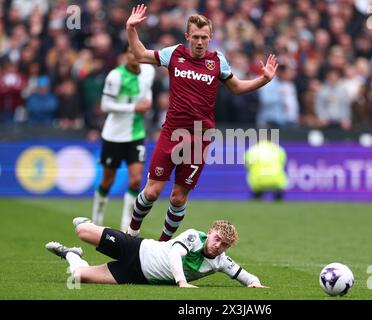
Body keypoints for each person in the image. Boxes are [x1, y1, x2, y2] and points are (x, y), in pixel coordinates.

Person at [125, 4, 279, 240]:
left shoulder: (217, 60)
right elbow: (140, 54)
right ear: (187, 36)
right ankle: (131, 232)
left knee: (178, 197)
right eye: (195, 37)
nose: (199, 42)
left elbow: (237, 87)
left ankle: (163, 246)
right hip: (171, 133)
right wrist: (131, 29)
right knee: (153, 191)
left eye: (204, 37)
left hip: (200, 137)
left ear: (211, 38)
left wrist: (263, 80)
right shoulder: (174, 54)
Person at [45, 218, 267, 288]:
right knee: (81, 230)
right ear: (209, 233)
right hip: (138, 249)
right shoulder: (193, 237)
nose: (219, 245)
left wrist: (254, 283)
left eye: (225, 244)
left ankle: (71, 254)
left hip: (137, 276)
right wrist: (181, 282)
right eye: (217, 238)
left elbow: (244, 275)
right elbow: (174, 255)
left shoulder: (220, 261)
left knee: (77, 276)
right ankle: (89, 223)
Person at [92, 46, 155, 232]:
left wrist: (148, 101)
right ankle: (96, 218)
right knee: (107, 180)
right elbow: (105, 105)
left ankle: (126, 223)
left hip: (136, 134)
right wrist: (134, 108)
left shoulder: (149, 71)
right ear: (125, 55)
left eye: (136, 52)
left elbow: (147, 90)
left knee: (136, 180)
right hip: (113, 135)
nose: (133, 55)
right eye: (129, 52)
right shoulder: (115, 76)